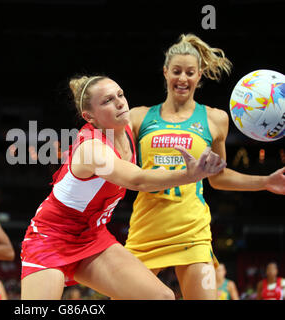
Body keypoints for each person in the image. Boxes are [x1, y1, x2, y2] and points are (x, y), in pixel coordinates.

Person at [20, 75, 226, 300]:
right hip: (50, 238)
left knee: (162, 297)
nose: (119, 102)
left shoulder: (129, 128)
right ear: (90, 117)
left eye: (120, 95)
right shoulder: (92, 148)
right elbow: (138, 180)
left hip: (92, 237)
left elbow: (171, 120)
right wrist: (189, 175)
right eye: (107, 101)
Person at [124, 33, 285, 300]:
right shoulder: (138, 117)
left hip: (192, 230)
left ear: (199, 75)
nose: (182, 78)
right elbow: (125, 171)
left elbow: (218, 178)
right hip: (146, 228)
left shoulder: (215, 119)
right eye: (176, 71)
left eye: (190, 72)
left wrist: (265, 182)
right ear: (165, 72)